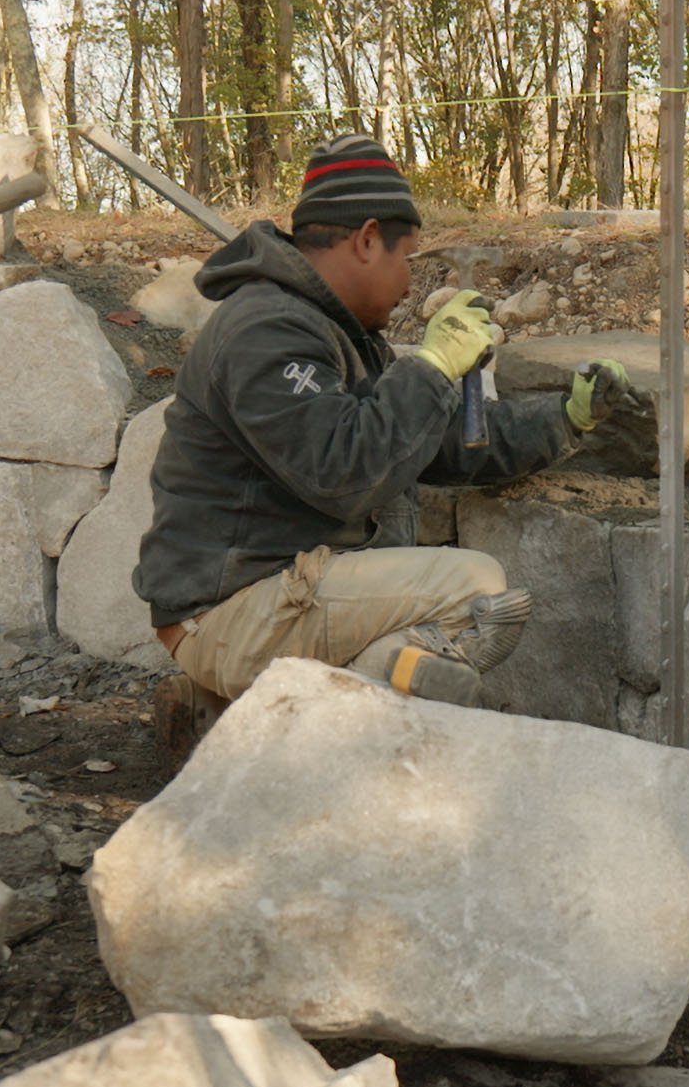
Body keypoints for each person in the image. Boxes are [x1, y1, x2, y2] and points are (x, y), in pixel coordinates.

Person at [134, 132, 629, 725]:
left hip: (278, 593)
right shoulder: (266, 330)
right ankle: (327, 739)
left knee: (436, 647)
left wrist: (565, 418)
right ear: (368, 239)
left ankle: (332, 725)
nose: (409, 283)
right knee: (472, 589)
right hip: (228, 611)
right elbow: (343, 472)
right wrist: (432, 366)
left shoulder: (339, 333)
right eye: (407, 259)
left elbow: (437, 445)